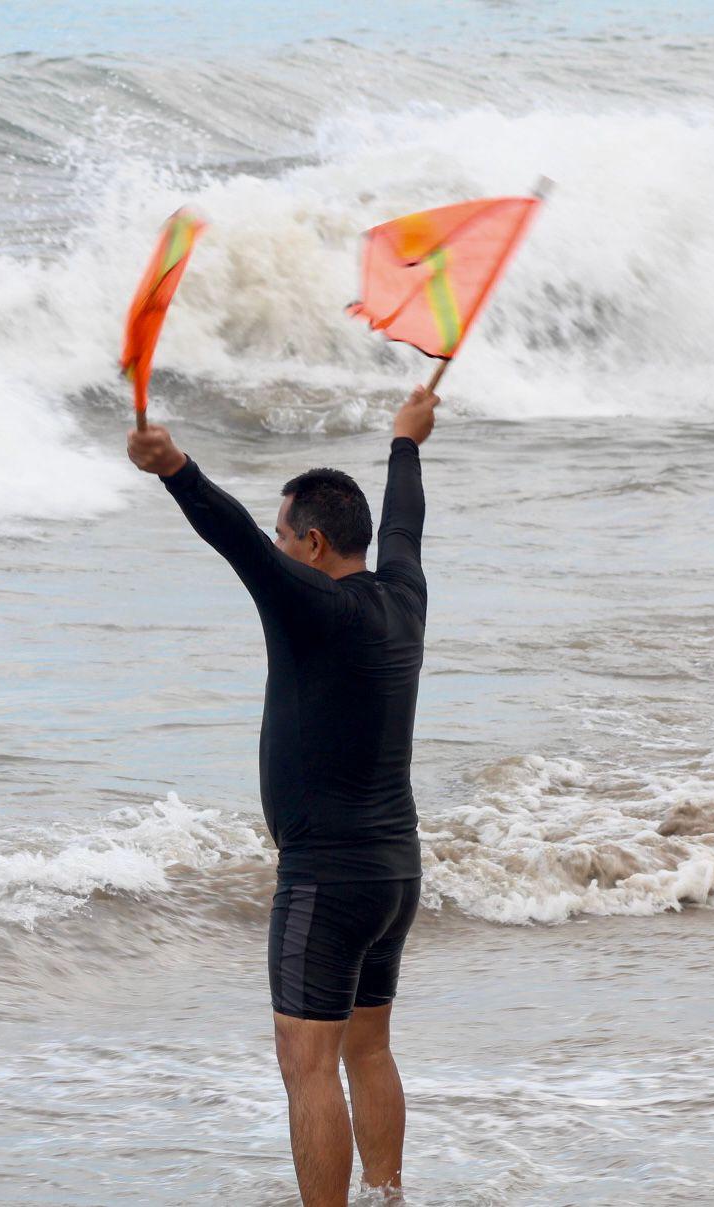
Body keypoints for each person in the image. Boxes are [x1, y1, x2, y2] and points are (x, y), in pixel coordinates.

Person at [126, 383, 439, 1206]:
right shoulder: (406, 595)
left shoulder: (310, 604)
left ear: (308, 542)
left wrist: (175, 470)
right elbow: (406, 523)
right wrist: (406, 442)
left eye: (281, 530)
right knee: (367, 1048)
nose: (273, 540)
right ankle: (388, 1196)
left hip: (325, 880)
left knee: (308, 1068)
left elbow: (234, 541)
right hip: (394, 872)